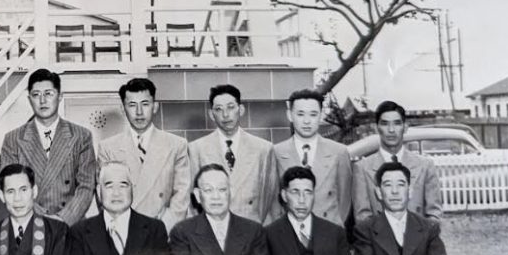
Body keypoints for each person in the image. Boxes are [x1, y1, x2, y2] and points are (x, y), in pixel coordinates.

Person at [0, 68, 97, 225]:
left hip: (71, 225)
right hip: (29, 223)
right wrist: (41, 219)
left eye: (48, 94)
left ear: (60, 97)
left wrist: (62, 219)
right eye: (36, 95)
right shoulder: (13, 139)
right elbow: (12, 187)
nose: (42, 100)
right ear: (29, 99)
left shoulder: (81, 136)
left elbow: (86, 186)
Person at [98, 77, 191, 231]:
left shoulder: (176, 145)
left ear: (155, 107)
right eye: (132, 105)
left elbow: (181, 195)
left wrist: (162, 230)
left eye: (145, 104)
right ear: (123, 109)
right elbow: (105, 197)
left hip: (162, 232)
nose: (139, 112)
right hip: (124, 233)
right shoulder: (108, 148)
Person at [187, 84, 281, 225]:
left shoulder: (263, 149)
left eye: (231, 107)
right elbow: (192, 200)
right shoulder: (196, 149)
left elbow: (270, 198)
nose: (225, 115)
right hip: (211, 230)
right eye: (219, 109)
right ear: (211, 114)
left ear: (241, 109)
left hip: (251, 230)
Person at [353, 101, 442, 225]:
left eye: (397, 123)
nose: (391, 130)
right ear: (376, 127)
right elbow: (362, 218)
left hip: (418, 241)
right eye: (385, 124)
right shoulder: (362, 168)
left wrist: (420, 239)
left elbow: (434, 214)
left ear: (405, 127)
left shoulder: (425, 166)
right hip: (378, 242)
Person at [273, 89, 353, 225]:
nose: (306, 121)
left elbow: (345, 198)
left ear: (321, 115)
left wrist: (335, 227)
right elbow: (272, 201)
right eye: (300, 114)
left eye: (313, 114)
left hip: (329, 231)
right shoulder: (276, 152)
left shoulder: (339, 152)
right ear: (290, 115)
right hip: (289, 233)